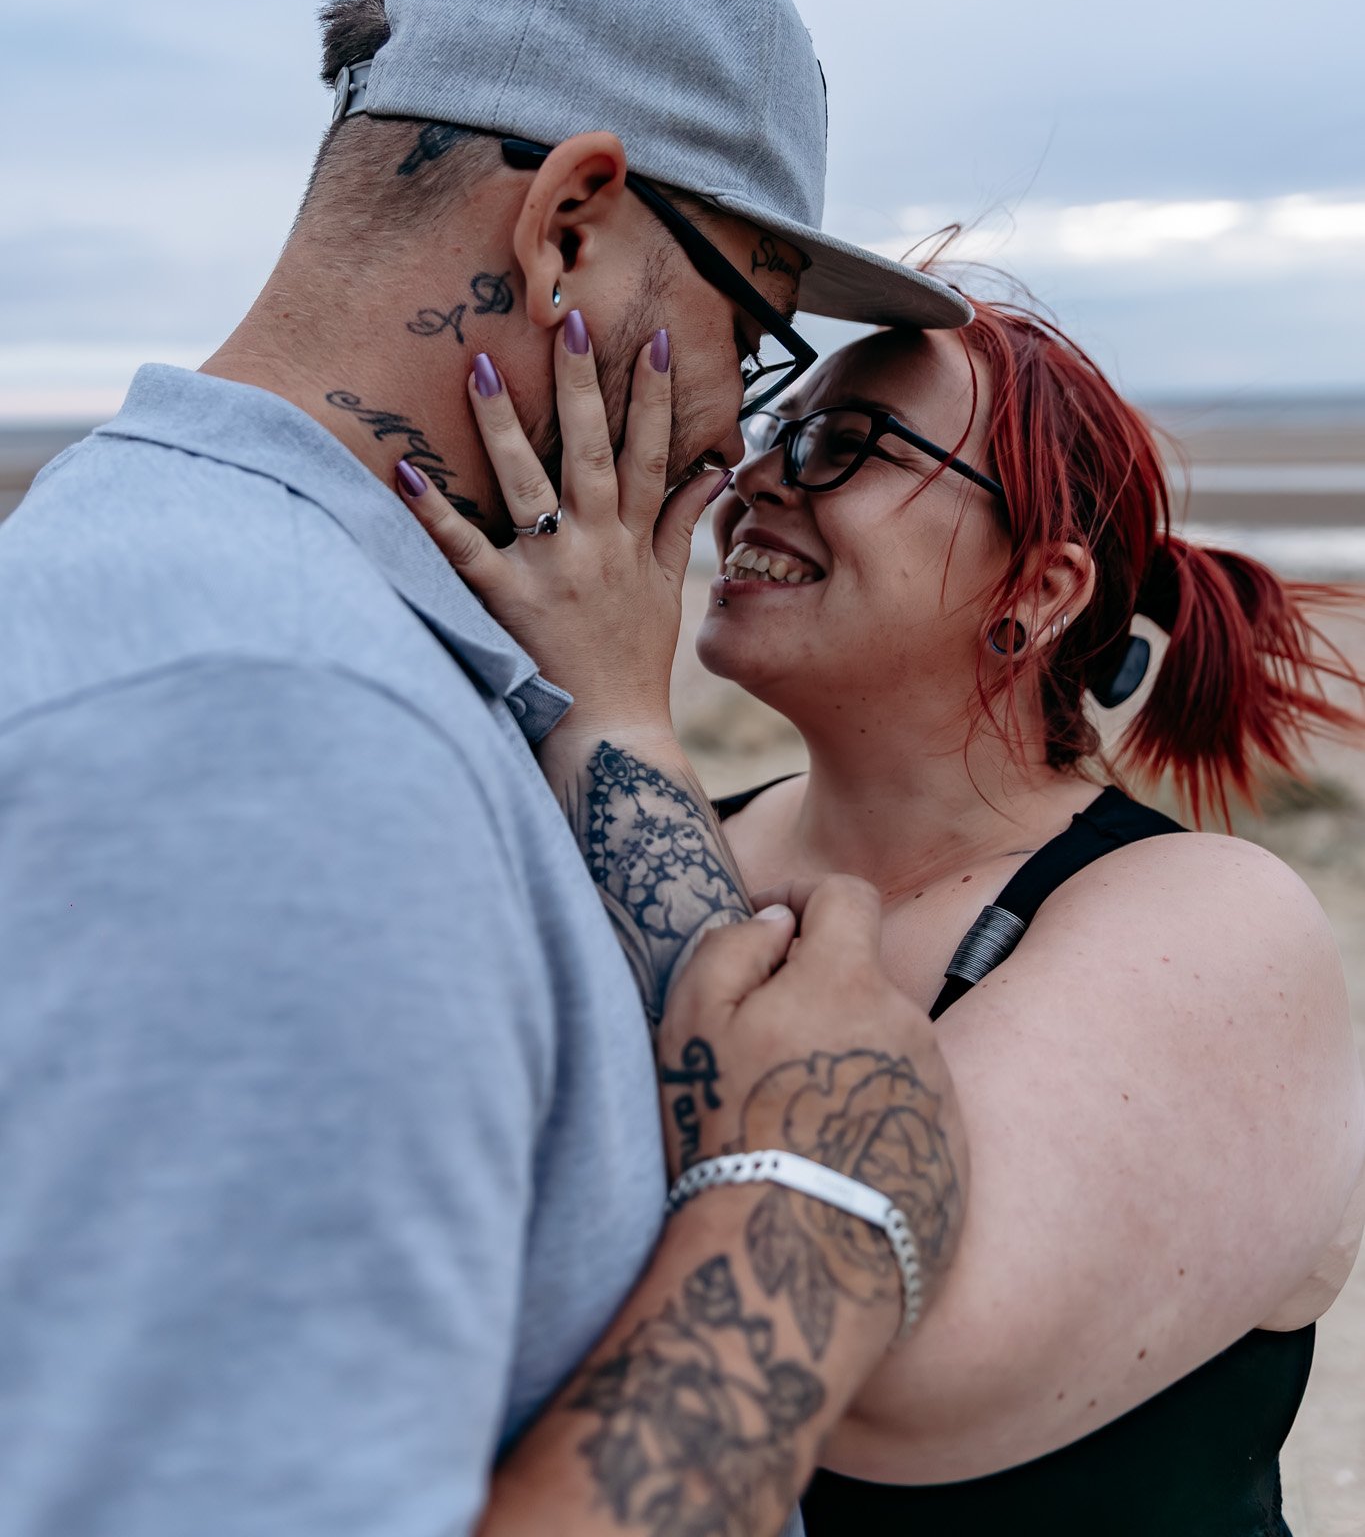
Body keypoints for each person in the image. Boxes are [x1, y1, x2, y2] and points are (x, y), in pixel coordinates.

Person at [0, 0, 974, 1536]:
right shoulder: (277, 735)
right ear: (573, 224)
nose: (736, 441)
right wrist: (813, 1214)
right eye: (752, 336)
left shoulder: (248, 608)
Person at [404, 288, 1365, 1536]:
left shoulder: (1214, 921)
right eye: (773, 426)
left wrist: (616, 715)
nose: (754, 474)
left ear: (1039, 587)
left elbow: (878, 1375)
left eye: (843, 443)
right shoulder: (653, 816)